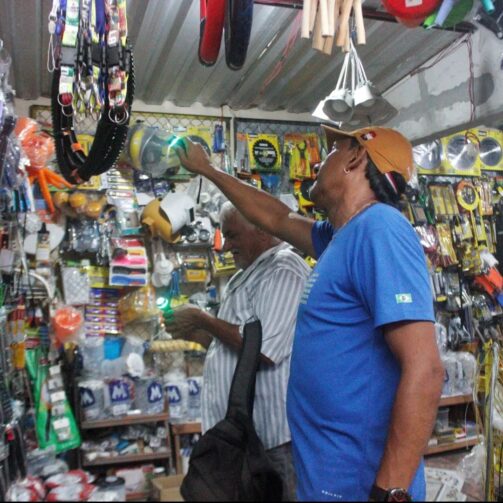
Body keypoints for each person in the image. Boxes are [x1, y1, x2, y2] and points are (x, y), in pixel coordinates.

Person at [173, 126, 445, 502]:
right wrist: (210, 171)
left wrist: (391, 491)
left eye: (333, 150)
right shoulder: (341, 237)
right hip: (326, 477)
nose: (320, 160)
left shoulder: (380, 228)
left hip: (360, 483)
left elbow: (426, 370)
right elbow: (278, 219)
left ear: (356, 158)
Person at [166, 201, 310, 502]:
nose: (225, 246)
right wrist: (197, 334)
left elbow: (265, 348)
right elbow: (236, 346)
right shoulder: (245, 277)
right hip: (244, 436)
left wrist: (202, 318)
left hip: (272, 438)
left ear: (260, 229)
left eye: (232, 236)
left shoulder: (284, 269)